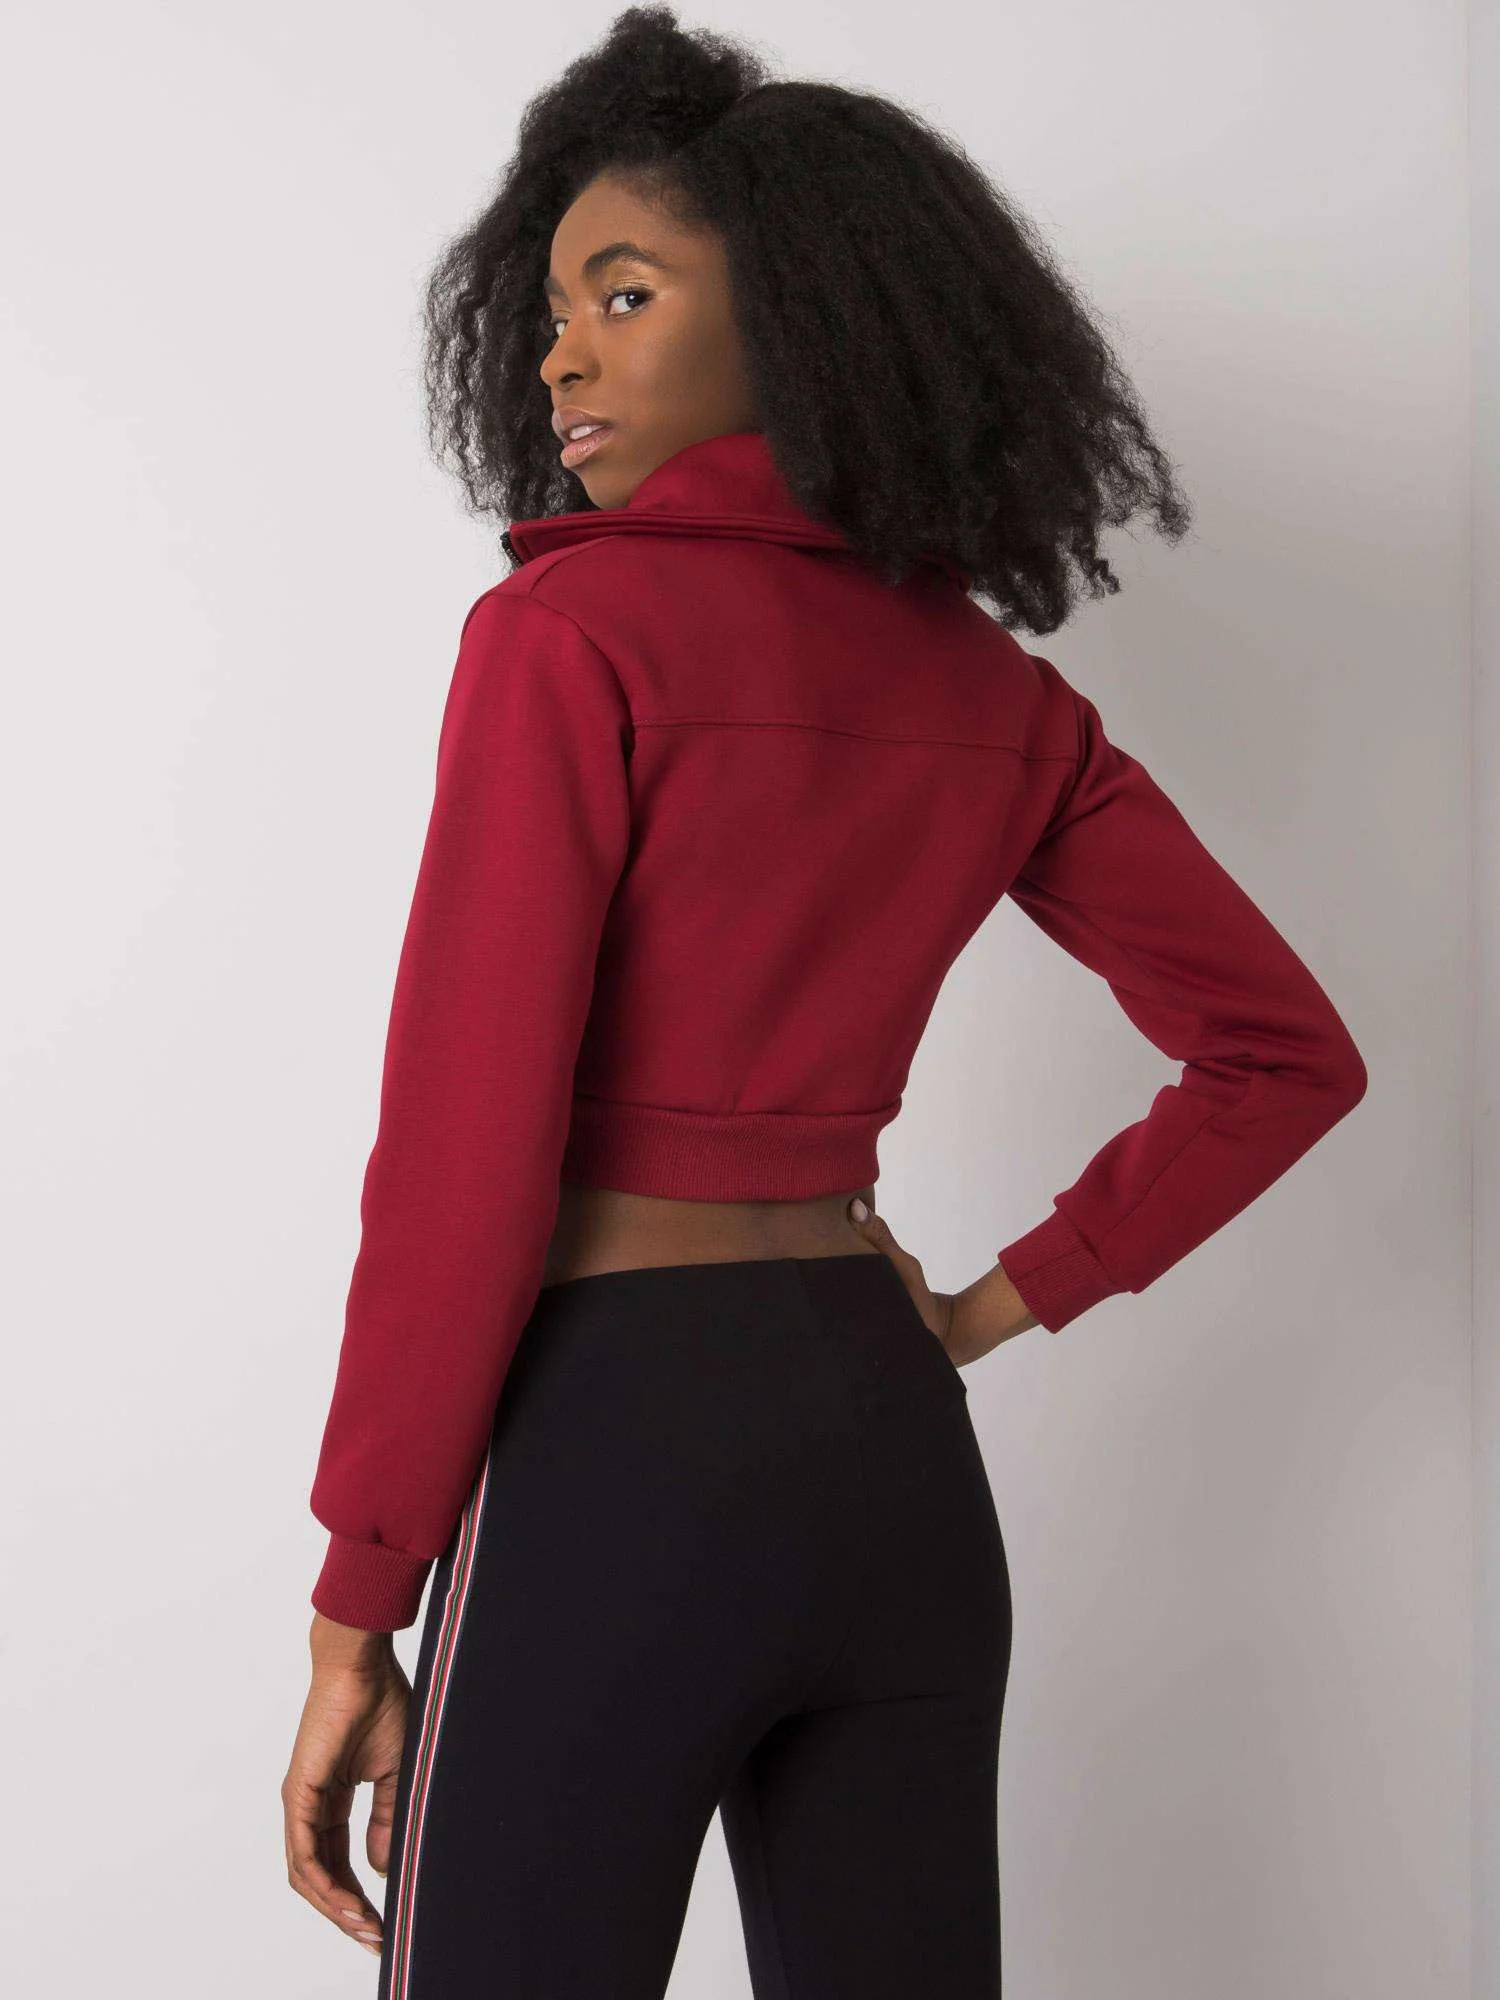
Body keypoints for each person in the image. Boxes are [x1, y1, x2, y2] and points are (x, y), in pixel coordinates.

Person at [280, 8, 1368, 1994]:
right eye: (554, 310)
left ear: (789, 313)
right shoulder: (997, 694)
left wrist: (363, 1591)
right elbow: (1283, 1056)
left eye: (624, 293)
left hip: (614, 1441)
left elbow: (465, 1155)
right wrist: (982, 1309)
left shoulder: (567, 632)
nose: (561, 354)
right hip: (888, 1450)